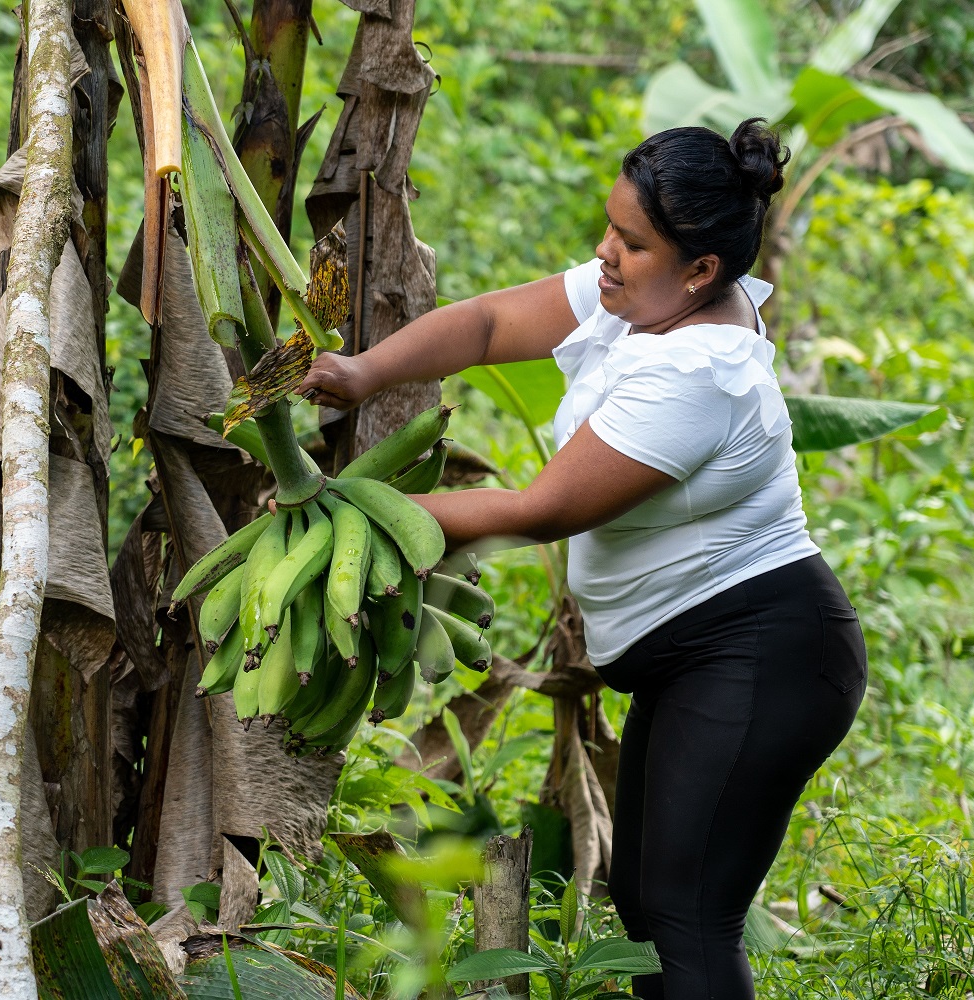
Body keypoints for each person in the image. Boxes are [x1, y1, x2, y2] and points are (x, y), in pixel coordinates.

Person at [296, 118, 867, 1000]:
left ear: (703, 270)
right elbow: (488, 325)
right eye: (610, 226)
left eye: (630, 242)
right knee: (646, 900)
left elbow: (541, 510)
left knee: (686, 918)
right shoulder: (645, 294)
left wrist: (351, 511)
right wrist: (364, 371)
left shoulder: (698, 375)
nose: (605, 252)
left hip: (763, 654)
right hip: (700, 660)